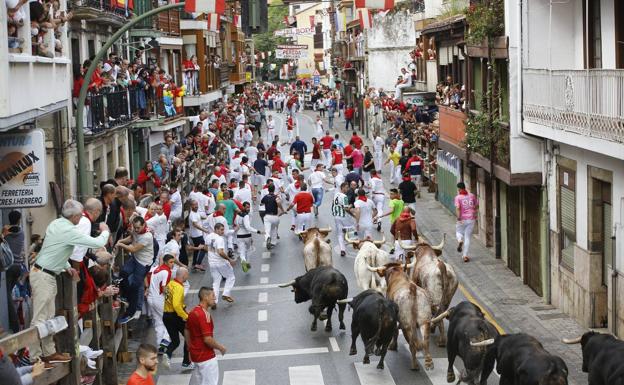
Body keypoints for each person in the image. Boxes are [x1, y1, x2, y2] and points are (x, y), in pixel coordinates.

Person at [31, 199, 110, 362]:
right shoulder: (70, 231)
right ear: (74, 216)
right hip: (44, 276)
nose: (81, 218)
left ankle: (48, 353)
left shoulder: (56, 224)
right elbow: (99, 242)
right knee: (40, 318)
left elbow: (53, 248)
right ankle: (35, 357)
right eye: (80, 215)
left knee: (48, 318)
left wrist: (66, 266)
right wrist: (105, 230)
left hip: (46, 273)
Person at [116, 216, 154, 324]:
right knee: (123, 272)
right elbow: (132, 238)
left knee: (135, 287)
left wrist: (120, 244)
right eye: (135, 227)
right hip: (136, 258)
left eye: (138, 228)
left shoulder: (147, 236)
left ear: (143, 225)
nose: (136, 230)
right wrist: (121, 240)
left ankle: (131, 312)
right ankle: (124, 295)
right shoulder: (136, 230)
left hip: (143, 263)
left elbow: (133, 248)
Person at [185, 287, 227, 385]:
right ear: (205, 297)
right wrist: (221, 348)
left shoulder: (192, 312)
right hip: (206, 358)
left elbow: (186, 329)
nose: (215, 298)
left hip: (196, 356)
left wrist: (190, 347)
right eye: (213, 296)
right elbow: (207, 339)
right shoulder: (204, 315)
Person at [162, 267, 191, 369]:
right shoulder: (179, 287)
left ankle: (167, 354)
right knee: (189, 337)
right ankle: (186, 362)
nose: (188, 276)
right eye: (187, 274)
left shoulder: (170, 284)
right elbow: (176, 305)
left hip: (166, 316)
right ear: (183, 276)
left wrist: (185, 309)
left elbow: (175, 302)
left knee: (175, 341)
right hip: (175, 316)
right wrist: (186, 316)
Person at [147, 255, 175, 354]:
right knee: (170, 320)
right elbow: (164, 288)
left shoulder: (155, 269)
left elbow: (147, 277)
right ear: (166, 262)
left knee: (159, 322)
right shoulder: (167, 271)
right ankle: (165, 341)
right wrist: (171, 299)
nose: (173, 264)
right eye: (171, 262)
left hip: (150, 298)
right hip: (159, 299)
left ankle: (160, 346)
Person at [206, 223, 236, 304]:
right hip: (221, 262)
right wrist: (229, 259)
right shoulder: (220, 239)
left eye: (223, 229)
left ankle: (214, 301)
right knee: (231, 277)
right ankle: (226, 293)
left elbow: (206, 247)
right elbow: (220, 252)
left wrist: (212, 254)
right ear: (216, 229)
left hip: (211, 263)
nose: (223, 231)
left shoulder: (208, 236)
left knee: (216, 282)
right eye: (221, 230)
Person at [374, 188, 404, 254]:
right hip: (401, 221)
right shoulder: (402, 202)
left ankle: (393, 247)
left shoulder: (392, 201)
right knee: (399, 235)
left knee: (393, 235)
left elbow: (391, 210)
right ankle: (399, 247)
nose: (390, 195)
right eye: (390, 194)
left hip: (394, 221)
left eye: (392, 194)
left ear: (396, 194)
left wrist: (380, 216)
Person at [454, 182, 478, 262]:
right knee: (467, 237)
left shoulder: (458, 197)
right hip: (471, 219)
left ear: (459, 189)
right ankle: (465, 255)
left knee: (458, 231)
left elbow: (458, 208)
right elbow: (476, 205)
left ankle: (460, 240)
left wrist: (458, 217)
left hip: (462, 219)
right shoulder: (472, 195)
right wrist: (474, 213)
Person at [234, 202, 261, 273]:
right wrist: (257, 231)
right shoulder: (246, 216)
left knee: (242, 251)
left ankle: (243, 261)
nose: (248, 209)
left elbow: (235, 223)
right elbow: (248, 227)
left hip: (239, 235)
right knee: (248, 249)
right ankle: (248, 263)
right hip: (247, 235)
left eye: (249, 207)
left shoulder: (238, 215)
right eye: (247, 207)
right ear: (243, 207)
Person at [332, 182, 354, 257]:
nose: (347, 189)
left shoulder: (336, 194)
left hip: (336, 216)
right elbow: (346, 208)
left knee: (339, 234)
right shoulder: (344, 196)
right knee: (352, 228)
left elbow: (334, 204)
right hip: (343, 216)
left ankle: (342, 249)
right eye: (346, 187)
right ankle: (355, 243)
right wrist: (352, 213)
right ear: (342, 187)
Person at [261, 184, 284, 249]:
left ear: (268, 190)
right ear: (274, 190)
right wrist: (283, 210)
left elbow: (262, 203)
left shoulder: (265, 197)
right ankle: (273, 243)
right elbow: (279, 203)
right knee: (273, 229)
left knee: (267, 230)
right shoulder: (276, 197)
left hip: (267, 216)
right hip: (275, 216)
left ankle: (267, 237)